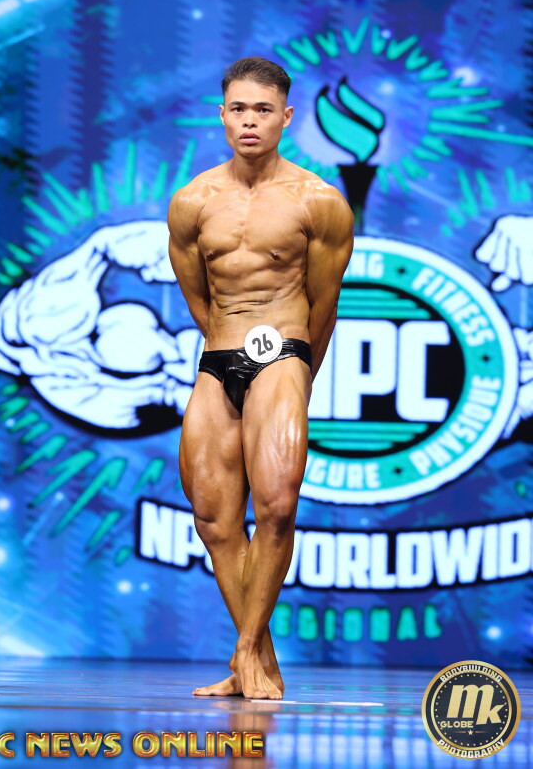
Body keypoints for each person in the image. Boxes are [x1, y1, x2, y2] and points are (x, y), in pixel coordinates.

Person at [167, 56, 354, 700]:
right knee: (213, 520)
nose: (250, 122)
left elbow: (324, 303)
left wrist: (298, 370)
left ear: (286, 117)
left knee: (275, 505)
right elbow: (199, 298)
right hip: (218, 357)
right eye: (239, 109)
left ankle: (244, 650)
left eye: (264, 110)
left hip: (284, 352)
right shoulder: (191, 202)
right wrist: (226, 343)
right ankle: (259, 660)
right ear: (222, 115)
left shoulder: (319, 202)